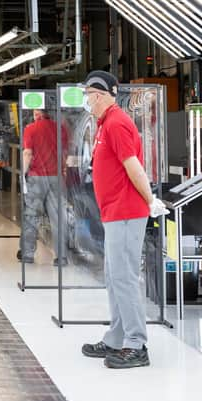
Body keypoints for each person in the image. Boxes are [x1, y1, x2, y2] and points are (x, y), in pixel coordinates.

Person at [79, 70, 168, 369]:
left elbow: (134, 168)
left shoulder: (117, 124)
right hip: (114, 213)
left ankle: (136, 344)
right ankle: (116, 338)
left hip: (127, 213)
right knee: (113, 277)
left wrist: (150, 200)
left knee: (125, 278)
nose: (87, 101)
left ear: (101, 95)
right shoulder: (104, 124)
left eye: (89, 95)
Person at [20, 106, 68, 266]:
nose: (34, 116)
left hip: (36, 178)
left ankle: (27, 254)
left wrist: (22, 174)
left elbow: (27, 153)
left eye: (34, 113)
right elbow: (65, 153)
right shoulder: (60, 129)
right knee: (58, 218)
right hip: (57, 178)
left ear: (40, 114)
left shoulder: (30, 129)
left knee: (31, 216)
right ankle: (61, 257)